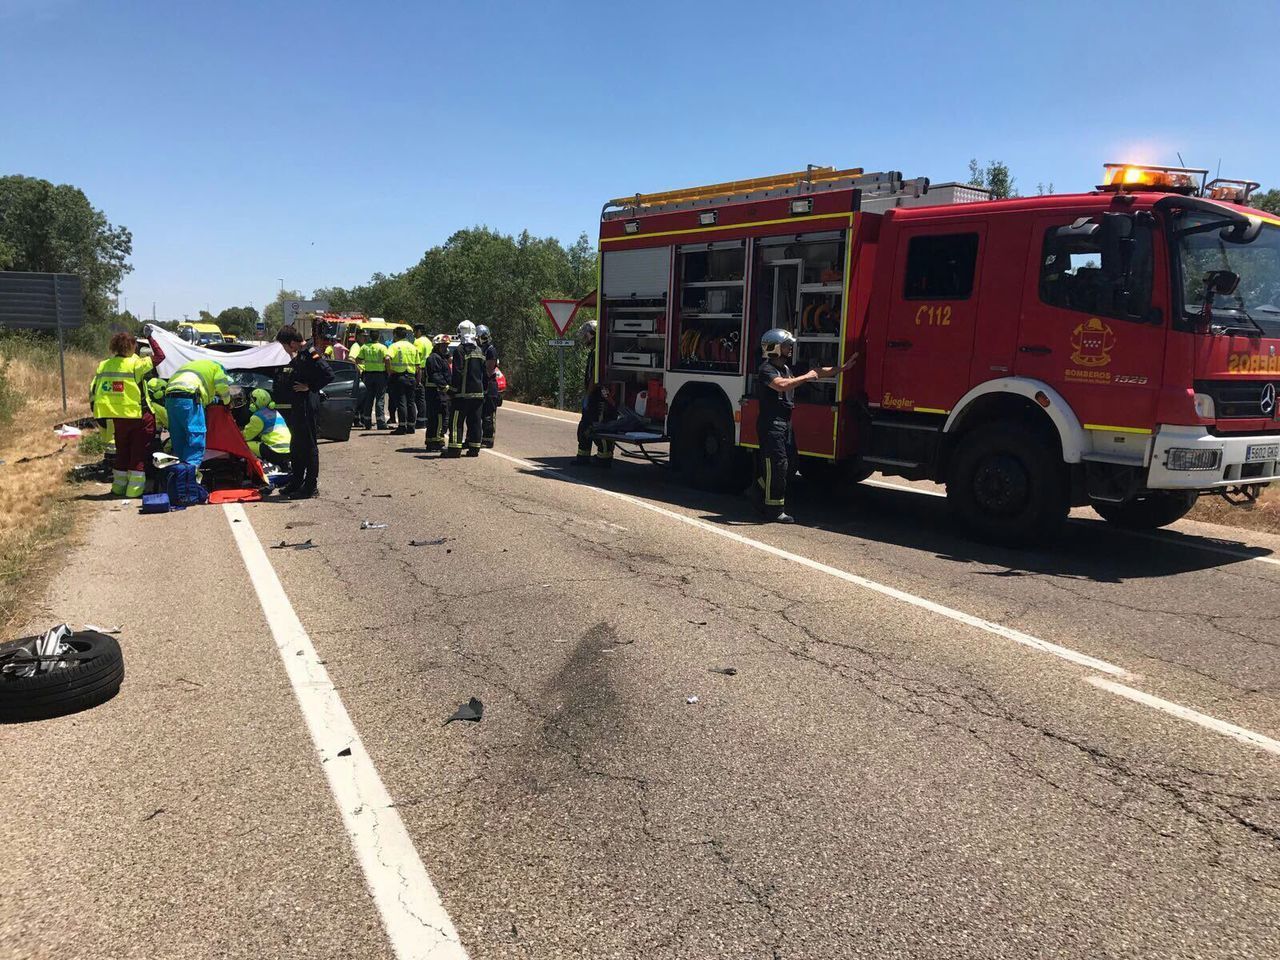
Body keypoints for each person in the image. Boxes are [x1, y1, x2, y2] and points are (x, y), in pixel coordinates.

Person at [754, 328, 859, 523]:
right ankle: (774, 509)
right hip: (771, 425)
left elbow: (817, 372)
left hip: (784, 424)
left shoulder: (786, 368)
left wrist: (842, 369)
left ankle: (757, 490)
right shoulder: (766, 370)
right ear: (774, 348)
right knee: (777, 465)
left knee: (790, 463)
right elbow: (781, 385)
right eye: (786, 345)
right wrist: (806, 377)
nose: (790, 349)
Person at [90, 332, 155, 497]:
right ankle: (134, 491)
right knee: (138, 453)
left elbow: (96, 389)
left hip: (117, 417)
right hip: (137, 415)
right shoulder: (136, 364)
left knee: (122, 452)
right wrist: (152, 337)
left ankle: (118, 487)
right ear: (132, 346)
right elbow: (160, 356)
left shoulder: (103, 365)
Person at [272, 326, 333, 499]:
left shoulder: (311, 352)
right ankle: (297, 481)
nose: (284, 350)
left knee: (309, 447)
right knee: (297, 445)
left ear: (292, 343)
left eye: (284, 346)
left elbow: (328, 375)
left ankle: (310, 486)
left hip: (307, 404)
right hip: (298, 405)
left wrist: (310, 387)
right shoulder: (299, 354)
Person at [164, 357, 230, 470]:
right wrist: (227, 401)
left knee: (178, 435)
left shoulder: (193, 366)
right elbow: (222, 386)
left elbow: (206, 394)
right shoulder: (218, 368)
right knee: (195, 435)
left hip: (171, 399)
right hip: (190, 399)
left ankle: (181, 470)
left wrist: (213, 399)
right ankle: (190, 474)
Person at [573, 320, 615, 467]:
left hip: (598, 398)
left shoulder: (598, 352)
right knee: (585, 426)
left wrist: (588, 395)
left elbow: (595, 378)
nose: (585, 338)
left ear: (593, 334)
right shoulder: (597, 350)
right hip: (596, 397)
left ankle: (604, 458)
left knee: (599, 427)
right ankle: (583, 457)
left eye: (587, 335)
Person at [446, 321, 486, 458]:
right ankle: (474, 449)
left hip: (462, 395)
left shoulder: (459, 350)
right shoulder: (479, 350)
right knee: (475, 422)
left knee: (456, 421)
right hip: (478, 395)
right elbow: (484, 373)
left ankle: (454, 449)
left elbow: (457, 372)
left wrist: (452, 390)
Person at [242, 387, 292, 469]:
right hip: (289, 450)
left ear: (256, 402)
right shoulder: (276, 412)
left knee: (244, 445)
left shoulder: (257, 417)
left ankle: (258, 467)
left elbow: (246, 436)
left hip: (275, 452)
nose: (250, 403)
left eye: (251, 401)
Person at [386, 326, 420, 435]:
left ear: (396, 335)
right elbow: (418, 366)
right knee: (411, 402)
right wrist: (417, 380)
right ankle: (411, 427)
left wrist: (389, 371)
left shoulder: (394, 346)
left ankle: (402, 427)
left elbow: (387, 358)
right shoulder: (412, 347)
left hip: (399, 377)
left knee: (401, 402)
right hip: (411, 377)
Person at [352, 329, 388, 430]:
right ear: (379, 337)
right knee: (380, 399)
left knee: (368, 398)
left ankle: (367, 422)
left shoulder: (364, 347)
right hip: (380, 375)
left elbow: (357, 360)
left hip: (368, 375)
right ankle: (380, 422)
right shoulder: (382, 347)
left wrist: (366, 361)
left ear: (370, 337)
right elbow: (387, 359)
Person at [423, 334, 452, 452]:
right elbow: (436, 375)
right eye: (443, 346)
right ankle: (437, 441)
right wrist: (446, 388)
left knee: (436, 417)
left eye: (446, 346)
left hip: (437, 392)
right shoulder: (434, 358)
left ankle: (432, 441)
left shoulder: (440, 358)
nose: (445, 348)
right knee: (440, 416)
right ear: (436, 346)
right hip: (436, 392)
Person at [478, 324, 501, 448]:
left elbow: (489, 368)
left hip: (490, 384)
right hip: (482, 383)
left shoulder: (490, 350)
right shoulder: (481, 348)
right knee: (482, 414)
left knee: (489, 414)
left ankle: (488, 439)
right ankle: (482, 438)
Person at [413, 324, 432, 430]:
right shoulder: (429, 342)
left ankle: (421, 420)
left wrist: (417, 376)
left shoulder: (418, 342)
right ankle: (426, 418)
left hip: (420, 371)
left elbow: (417, 358)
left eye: (415, 331)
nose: (414, 334)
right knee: (425, 396)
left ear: (419, 331)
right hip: (428, 371)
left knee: (419, 396)